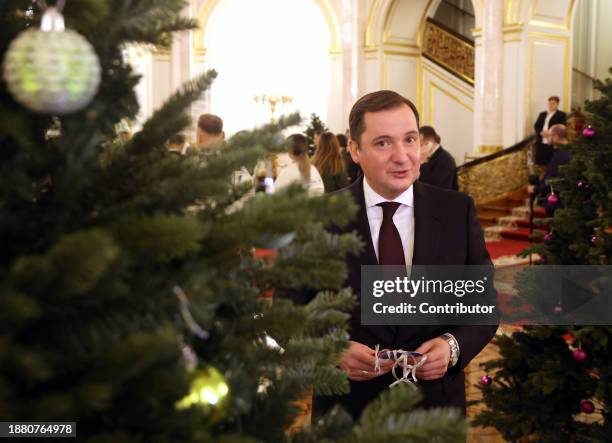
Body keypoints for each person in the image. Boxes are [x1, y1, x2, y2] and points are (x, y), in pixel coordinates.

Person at [294, 90, 497, 419]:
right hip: (347, 411)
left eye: (410, 139)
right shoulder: (318, 217)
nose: (402, 156)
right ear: (355, 150)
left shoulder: (457, 211)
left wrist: (452, 346)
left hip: (435, 410)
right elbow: (289, 310)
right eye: (383, 143)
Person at [529, 123, 571, 216]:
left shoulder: (559, 155)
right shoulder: (570, 151)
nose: (547, 138)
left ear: (556, 137)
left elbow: (552, 180)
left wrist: (536, 189)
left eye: (549, 136)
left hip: (557, 202)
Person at [418, 126, 458, 191]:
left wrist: (422, 161)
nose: (419, 149)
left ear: (430, 143)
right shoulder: (430, 155)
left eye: (421, 145)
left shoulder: (446, 159)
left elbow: (434, 184)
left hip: (443, 198)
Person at [533, 96, 567, 173]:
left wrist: (549, 133)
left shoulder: (561, 115)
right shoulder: (542, 114)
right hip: (542, 141)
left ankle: (550, 178)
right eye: (549, 103)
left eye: (553, 103)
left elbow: (561, 127)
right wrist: (541, 132)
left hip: (552, 142)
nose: (551, 105)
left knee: (551, 161)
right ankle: (543, 178)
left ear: (557, 104)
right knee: (541, 162)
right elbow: (536, 125)